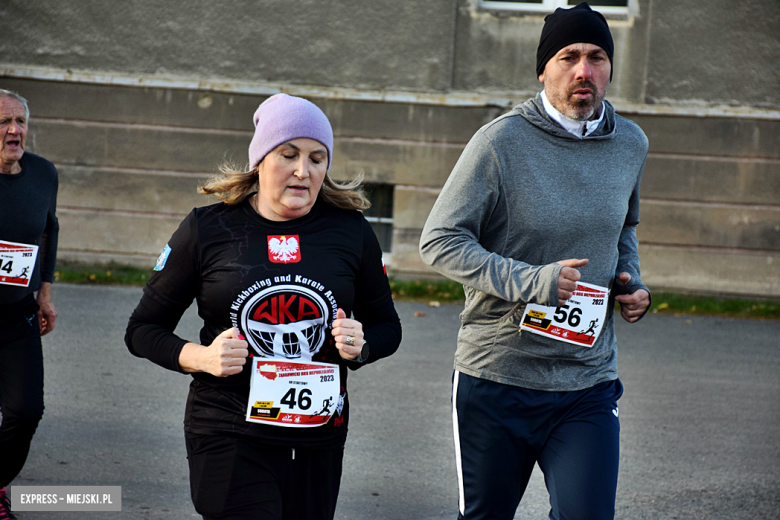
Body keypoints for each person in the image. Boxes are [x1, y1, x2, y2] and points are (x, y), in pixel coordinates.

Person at [419, 3, 651, 519]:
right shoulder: (500, 142)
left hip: (585, 381)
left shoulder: (631, 143)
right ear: (543, 68)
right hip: (498, 378)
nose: (583, 71)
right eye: (568, 56)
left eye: (596, 57)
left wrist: (630, 282)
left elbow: (624, 227)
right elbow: (439, 240)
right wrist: (533, 281)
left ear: (610, 68)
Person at [125, 93, 401, 520]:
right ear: (260, 160)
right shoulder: (208, 228)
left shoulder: (350, 231)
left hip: (318, 436)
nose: (302, 170)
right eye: (288, 154)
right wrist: (201, 357)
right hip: (227, 429)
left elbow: (387, 326)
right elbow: (142, 330)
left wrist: (360, 345)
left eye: (317, 158)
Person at [0, 89, 59, 520]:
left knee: (25, 410)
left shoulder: (43, 174)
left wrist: (45, 290)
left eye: (19, 121)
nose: (14, 130)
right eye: (3, 123)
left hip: (17, 313)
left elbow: (48, 231)